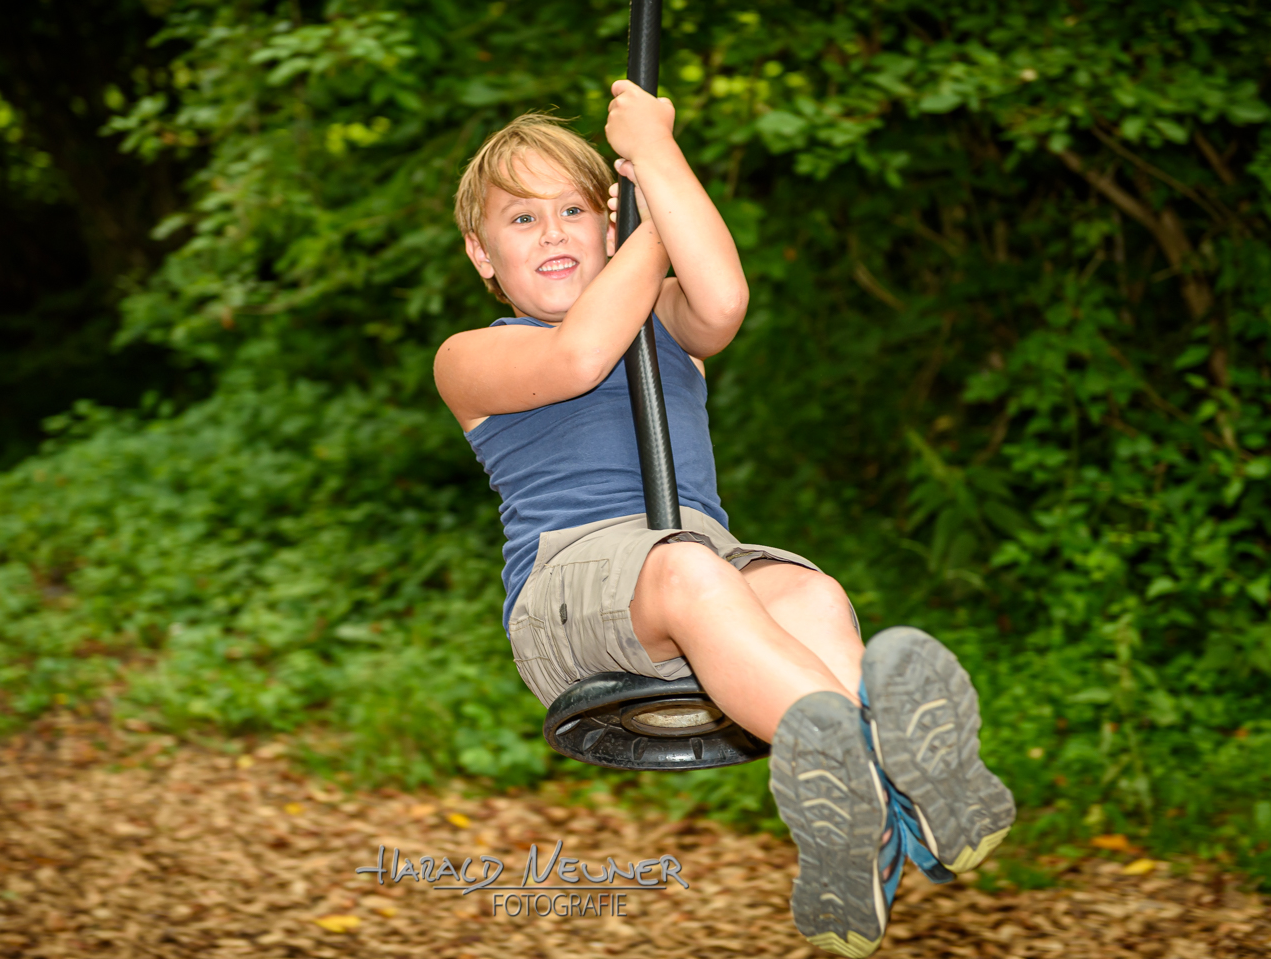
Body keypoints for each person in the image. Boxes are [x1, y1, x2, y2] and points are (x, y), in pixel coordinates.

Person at [433, 82, 1015, 958]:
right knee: (688, 569)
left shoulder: (665, 317)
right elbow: (583, 354)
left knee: (810, 593)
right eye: (522, 221)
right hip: (573, 589)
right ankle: (878, 767)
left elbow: (724, 299)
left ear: (610, 223)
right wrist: (649, 223)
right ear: (482, 256)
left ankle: (852, 837)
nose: (552, 232)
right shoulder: (474, 356)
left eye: (572, 210)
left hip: (702, 555)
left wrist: (659, 160)